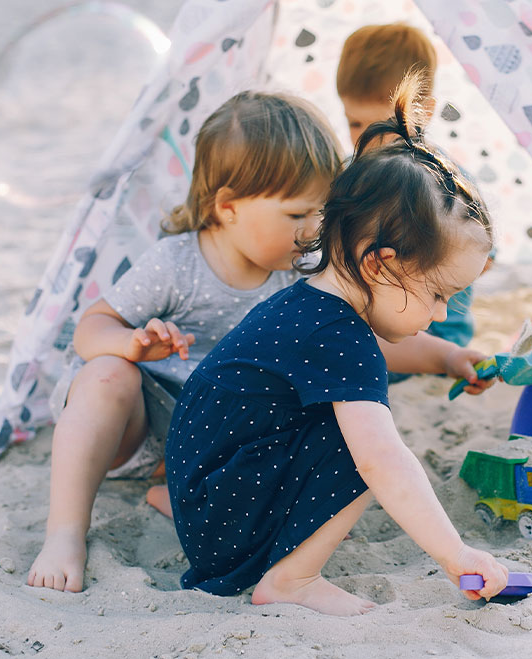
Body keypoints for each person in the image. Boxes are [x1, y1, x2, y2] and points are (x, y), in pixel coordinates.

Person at [164, 74, 510, 616]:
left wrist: (444, 357)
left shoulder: (313, 304)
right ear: (381, 263)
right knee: (369, 447)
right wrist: (455, 554)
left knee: (354, 433)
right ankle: (291, 581)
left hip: (208, 500)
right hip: (220, 524)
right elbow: (382, 463)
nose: (441, 315)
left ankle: (289, 551)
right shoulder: (338, 335)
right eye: (439, 293)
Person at [25, 90, 344, 593]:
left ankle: (175, 489)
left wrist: (446, 356)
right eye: (297, 215)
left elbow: (355, 348)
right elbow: (91, 329)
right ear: (228, 207)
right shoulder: (177, 264)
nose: (314, 231)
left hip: (214, 442)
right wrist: (131, 344)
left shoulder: (296, 278)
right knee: (105, 373)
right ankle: (65, 533)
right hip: (141, 424)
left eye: (322, 213)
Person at [336, 23, 479, 352]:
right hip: (373, 316)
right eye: (354, 123)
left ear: (423, 113)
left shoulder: (441, 185)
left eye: (381, 125)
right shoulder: (350, 171)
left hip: (433, 329)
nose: (364, 140)